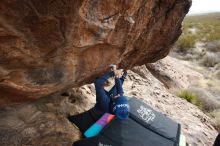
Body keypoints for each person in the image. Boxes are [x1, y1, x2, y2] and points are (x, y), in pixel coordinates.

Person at [68, 65, 130, 133]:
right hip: (105, 115)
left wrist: (113, 73)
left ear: (114, 104)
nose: (119, 95)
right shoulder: (117, 107)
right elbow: (120, 91)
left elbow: (98, 83)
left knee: (107, 92)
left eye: (118, 97)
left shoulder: (104, 103)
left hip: (90, 120)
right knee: (115, 92)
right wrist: (121, 77)